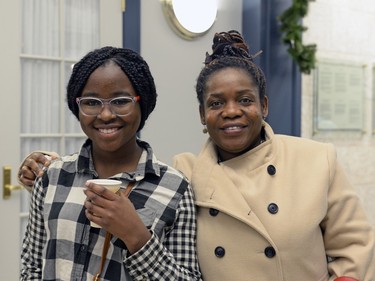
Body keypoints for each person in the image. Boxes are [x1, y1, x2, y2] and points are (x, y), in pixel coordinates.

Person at [18, 31, 375, 281]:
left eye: (245, 100)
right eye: (216, 103)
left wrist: (136, 234)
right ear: (202, 115)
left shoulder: (315, 160)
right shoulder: (187, 171)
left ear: (264, 105)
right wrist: (45, 167)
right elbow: (32, 264)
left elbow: (355, 249)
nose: (231, 111)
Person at [19, 46, 201, 280]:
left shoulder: (174, 188)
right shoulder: (52, 177)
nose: (105, 115)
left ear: (141, 104)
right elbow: (32, 266)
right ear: (78, 107)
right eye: (92, 102)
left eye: (121, 101)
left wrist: (136, 236)